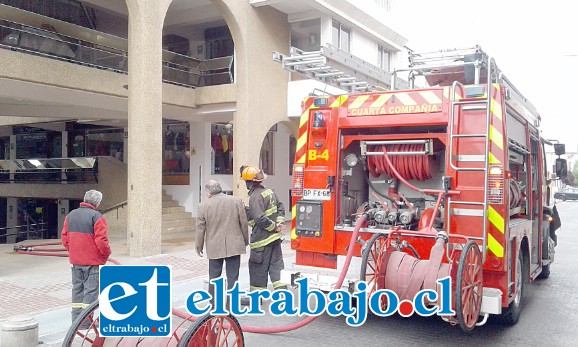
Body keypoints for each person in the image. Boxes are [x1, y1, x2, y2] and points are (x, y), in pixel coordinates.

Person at [61, 189, 111, 327]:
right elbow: (101, 241)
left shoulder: (70, 216)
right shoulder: (97, 217)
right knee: (90, 292)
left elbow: (65, 239)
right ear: (98, 202)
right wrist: (106, 254)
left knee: (77, 290)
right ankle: (85, 325)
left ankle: (75, 323)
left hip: (76, 262)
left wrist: (74, 251)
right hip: (92, 263)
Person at [196, 180, 249, 307]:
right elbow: (244, 223)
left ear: (208, 193)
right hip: (234, 245)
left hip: (214, 246)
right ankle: (230, 304)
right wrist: (245, 240)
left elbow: (200, 228)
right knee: (233, 276)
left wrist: (199, 246)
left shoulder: (203, 206)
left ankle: (214, 303)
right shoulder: (236, 201)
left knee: (214, 276)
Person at [240, 165, 287, 298]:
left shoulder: (255, 196)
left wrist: (273, 227)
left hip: (261, 242)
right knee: (276, 267)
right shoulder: (270, 192)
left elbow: (260, 218)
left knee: (257, 269)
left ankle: (256, 299)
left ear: (248, 182)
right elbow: (280, 207)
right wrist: (279, 224)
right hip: (275, 240)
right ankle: (283, 295)